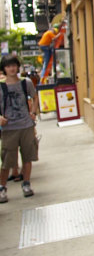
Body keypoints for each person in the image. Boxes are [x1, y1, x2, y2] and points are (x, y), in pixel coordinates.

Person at [0, 55, 39, 203]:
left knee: (28, 156)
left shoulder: (25, 83)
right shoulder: (1, 86)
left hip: (26, 125)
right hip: (9, 128)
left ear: (18, 67)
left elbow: (35, 97)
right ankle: (2, 188)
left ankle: (26, 184)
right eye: (8, 66)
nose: (11, 68)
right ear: (4, 68)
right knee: (7, 160)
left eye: (14, 65)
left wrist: (33, 113)